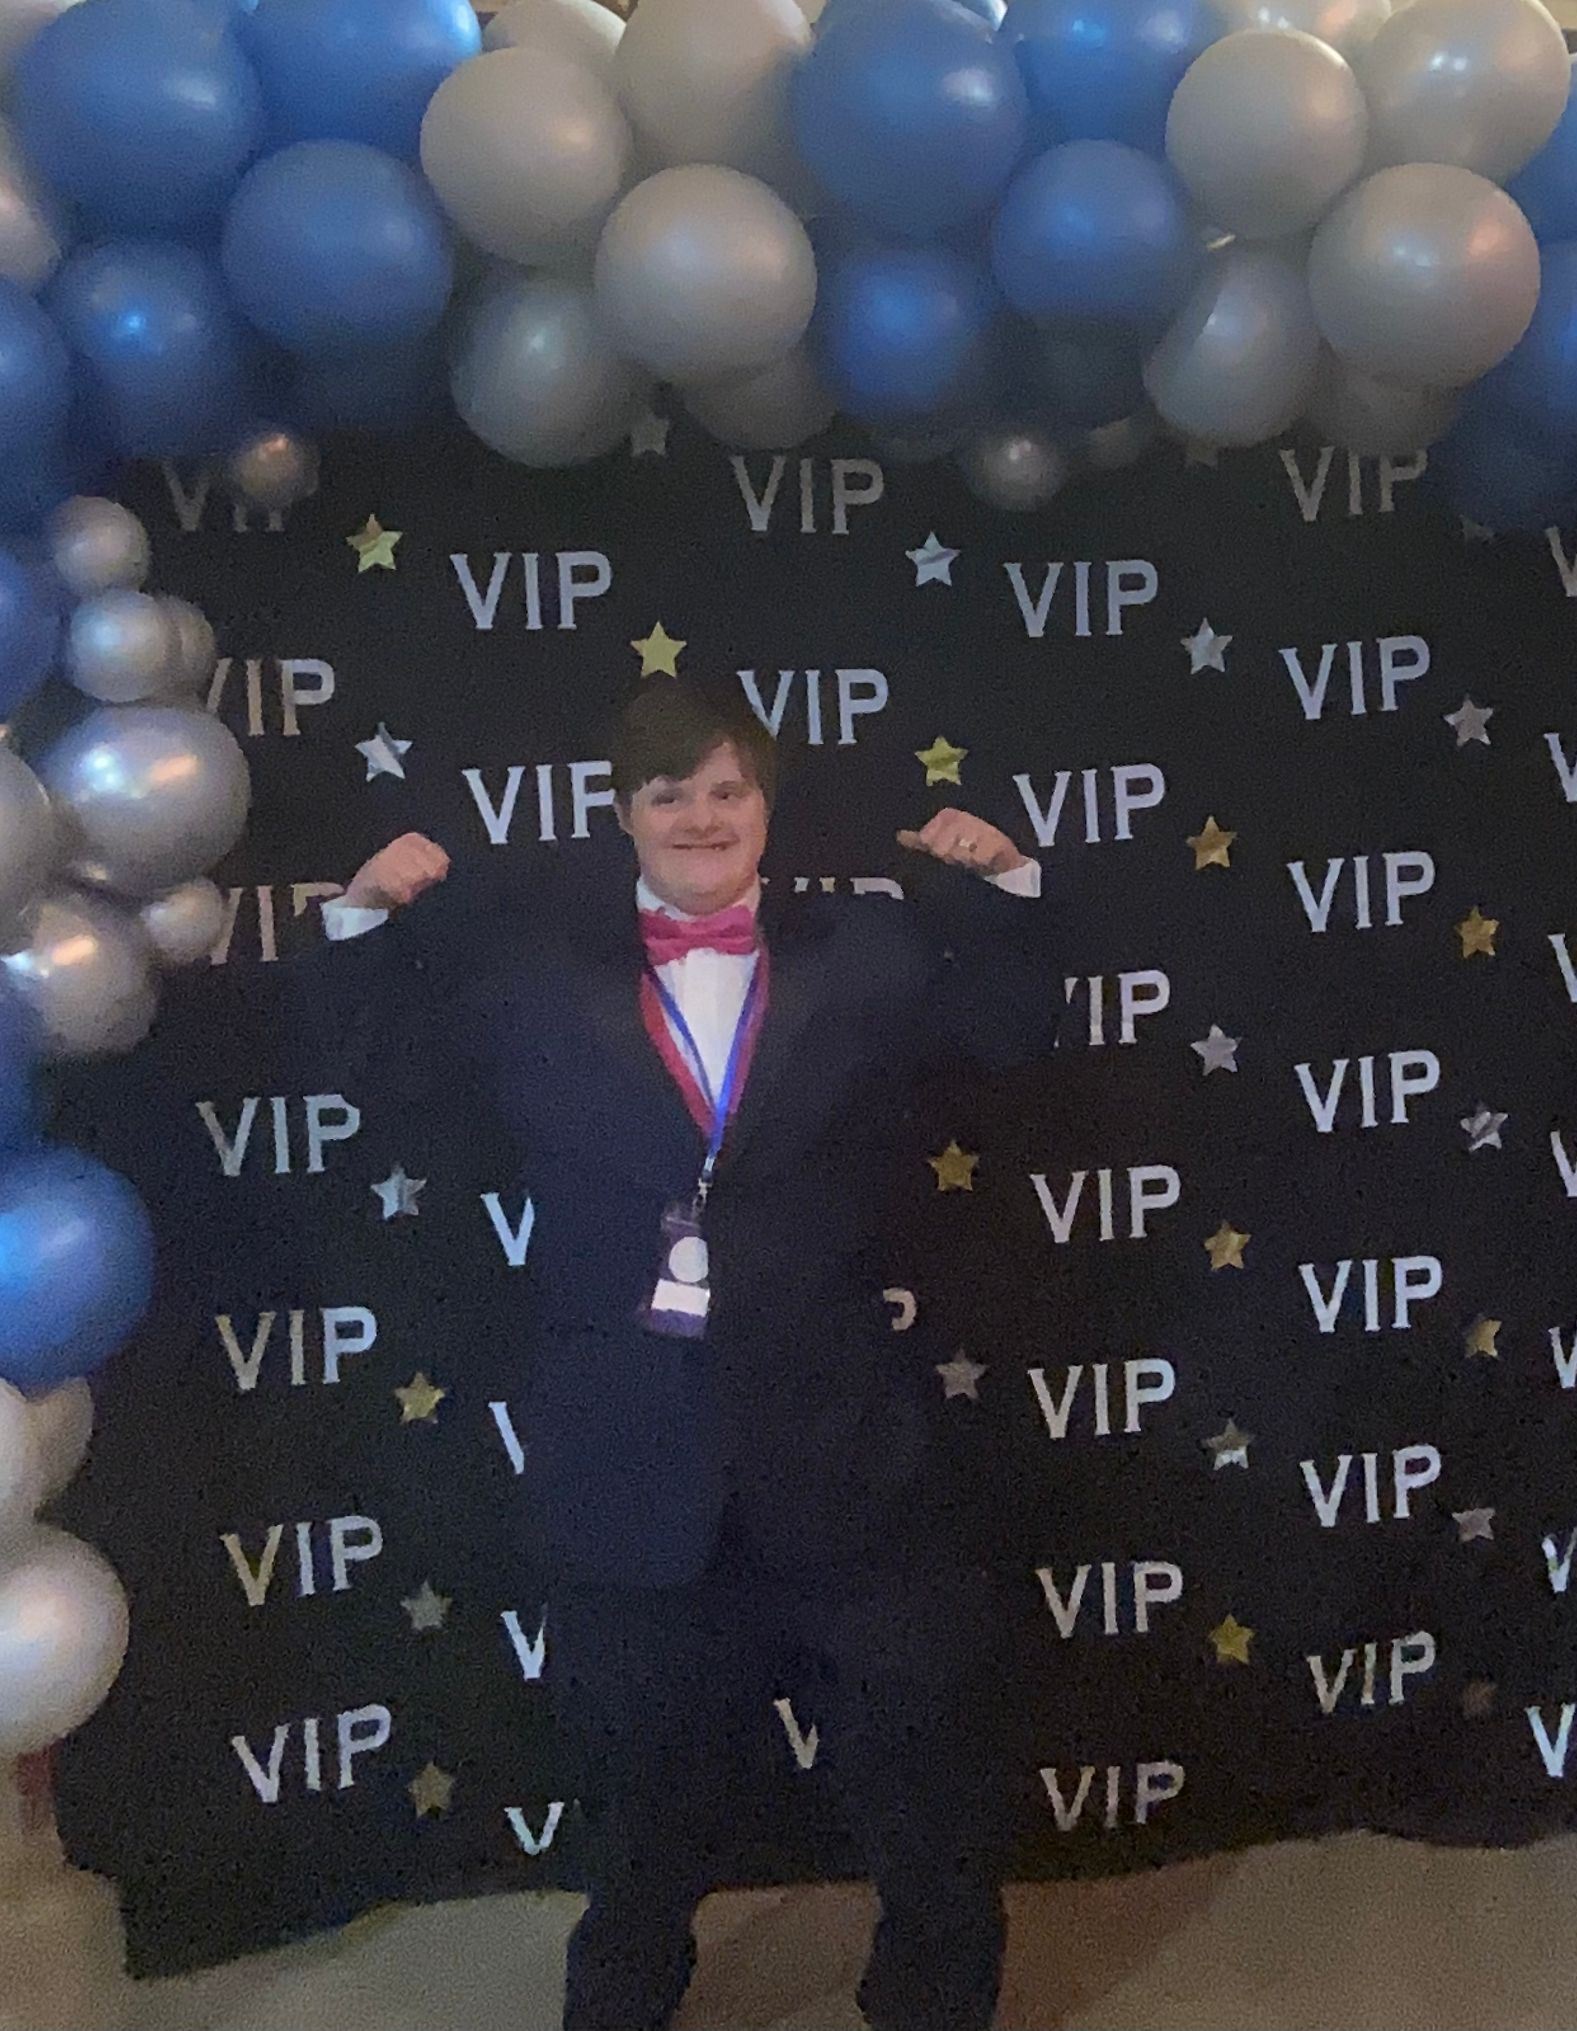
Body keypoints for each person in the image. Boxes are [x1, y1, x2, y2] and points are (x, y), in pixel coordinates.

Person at [318, 681, 1057, 2031]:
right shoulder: (533, 971)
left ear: (766, 809)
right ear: (624, 812)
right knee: (637, 1791)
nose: (701, 817)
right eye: (670, 792)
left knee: (920, 1772)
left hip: (838, 1442)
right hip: (628, 1449)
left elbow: (1009, 1033)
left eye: (728, 790)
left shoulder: (863, 954)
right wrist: (366, 918)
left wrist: (1004, 887)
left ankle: (937, 2002)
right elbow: (384, 1080)